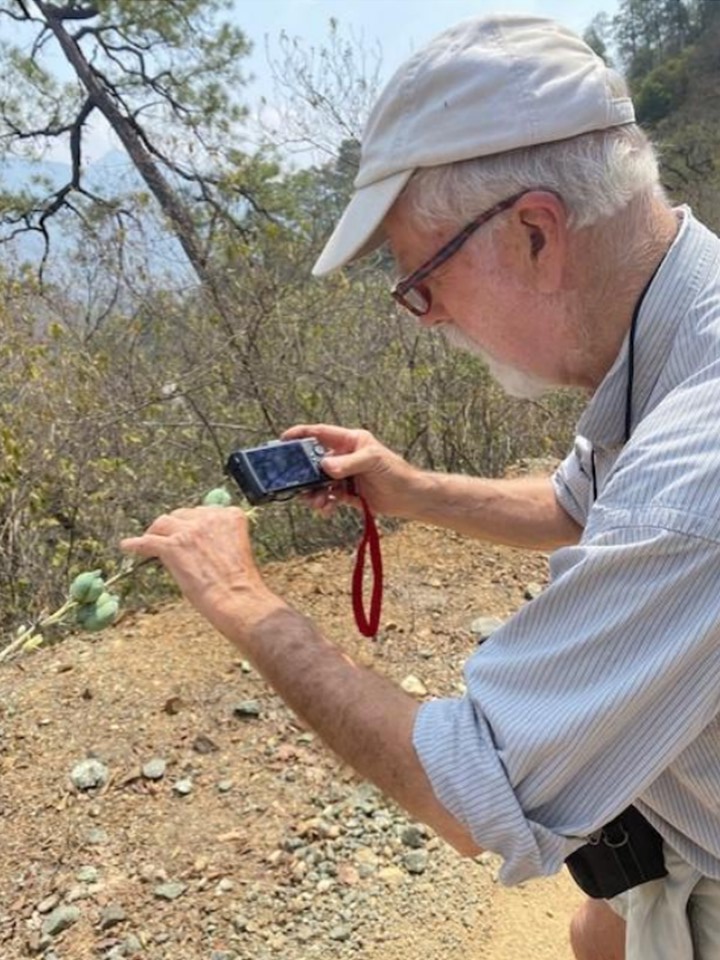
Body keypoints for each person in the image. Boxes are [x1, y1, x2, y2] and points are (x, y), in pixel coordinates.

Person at [121, 14, 720, 960]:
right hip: (674, 837)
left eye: (421, 280)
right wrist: (407, 488)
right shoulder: (676, 330)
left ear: (535, 232)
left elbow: (473, 791)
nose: (423, 315)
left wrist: (241, 601)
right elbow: (581, 508)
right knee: (593, 931)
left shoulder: (699, 471)